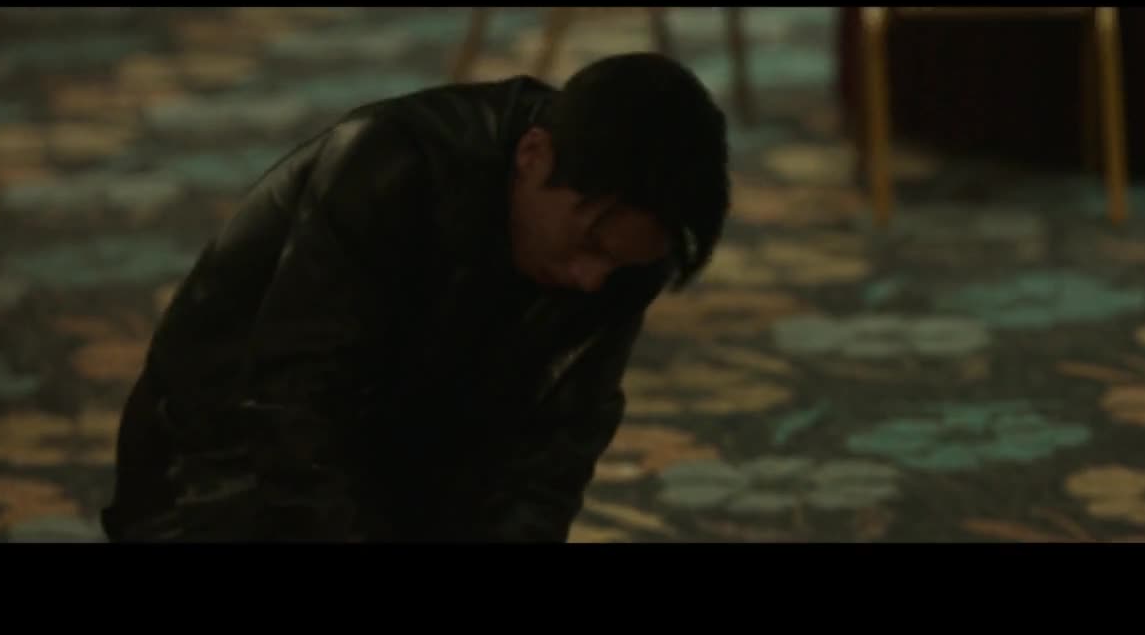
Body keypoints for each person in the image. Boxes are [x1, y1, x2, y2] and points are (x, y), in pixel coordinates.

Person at [101, 52, 731, 542]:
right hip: (217, 466)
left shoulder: (625, 262)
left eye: (619, 263)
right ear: (533, 155)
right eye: (589, 242)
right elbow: (292, 408)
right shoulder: (392, 166)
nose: (592, 279)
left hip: (404, 468)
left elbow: (552, 457)